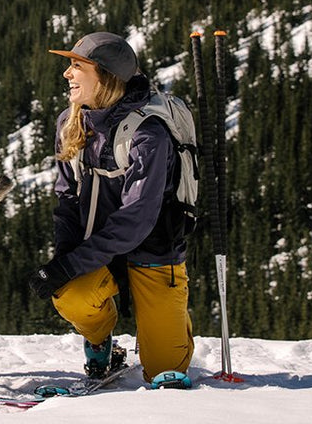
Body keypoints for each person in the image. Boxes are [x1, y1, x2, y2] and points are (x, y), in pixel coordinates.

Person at [27, 31, 194, 382]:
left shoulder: (149, 133)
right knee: (70, 296)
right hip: (99, 250)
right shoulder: (70, 123)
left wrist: (72, 262)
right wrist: (64, 260)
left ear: (104, 75)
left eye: (76, 66)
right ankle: (101, 339)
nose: (66, 74)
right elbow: (67, 198)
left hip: (155, 251)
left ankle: (165, 327)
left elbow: (136, 220)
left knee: (164, 370)